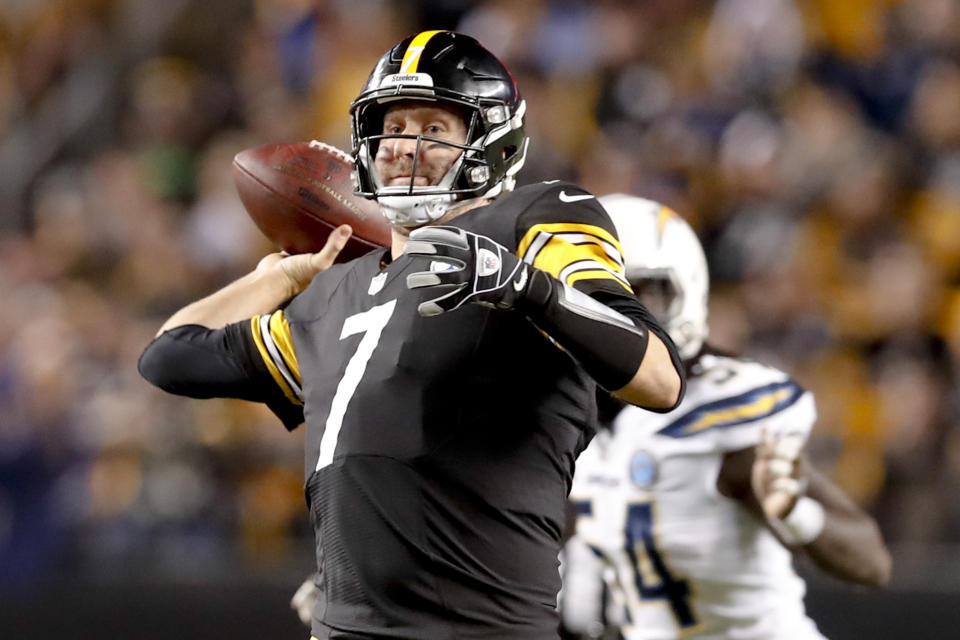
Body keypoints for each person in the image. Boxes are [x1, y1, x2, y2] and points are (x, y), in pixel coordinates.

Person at [139, 31, 685, 639]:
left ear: (492, 141)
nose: (404, 146)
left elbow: (659, 379)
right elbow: (168, 357)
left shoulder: (530, 218)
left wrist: (522, 285)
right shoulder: (332, 297)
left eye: (434, 128)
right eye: (394, 126)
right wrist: (276, 279)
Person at [559, 194, 891, 640]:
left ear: (684, 292)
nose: (615, 320)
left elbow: (871, 563)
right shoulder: (571, 419)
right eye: (595, 297)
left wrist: (794, 511)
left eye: (638, 296)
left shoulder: (723, 420)